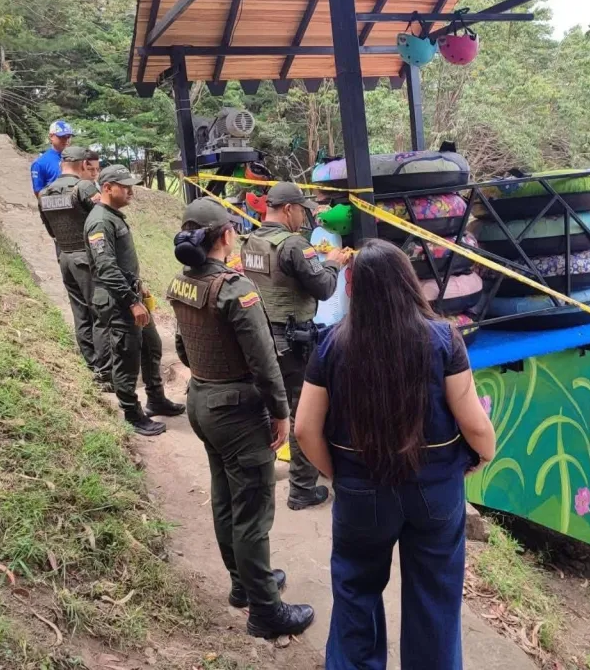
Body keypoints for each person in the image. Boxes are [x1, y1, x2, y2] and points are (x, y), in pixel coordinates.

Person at [294, 239, 496, 670]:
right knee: (435, 597)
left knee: (355, 591)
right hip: (435, 490)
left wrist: (338, 473)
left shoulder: (331, 345)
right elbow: (475, 424)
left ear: (354, 288)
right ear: (408, 282)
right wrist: (483, 455)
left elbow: (305, 428)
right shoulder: (443, 339)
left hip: (360, 491)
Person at [167, 197, 315, 638]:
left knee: (224, 497)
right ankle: (266, 613)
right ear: (227, 235)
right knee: (252, 509)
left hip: (201, 399)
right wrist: (281, 412)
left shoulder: (182, 282)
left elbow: (182, 347)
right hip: (237, 411)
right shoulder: (235, 290)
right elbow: (265, 363)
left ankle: (245, 584)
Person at [239, 181, 350, 510]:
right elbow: (325, 287)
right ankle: (302, 488)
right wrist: (334, 262)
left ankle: (261, 475)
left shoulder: (250, 240)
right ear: (288, 209)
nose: (304, 217)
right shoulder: (295, 245)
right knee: (303, 412)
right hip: (294, 343)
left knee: (269, 407)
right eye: (302, 210)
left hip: (260, 337)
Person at [84, 164, 185, 436]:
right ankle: (131, 413)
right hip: (118, 301)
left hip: (130, 294)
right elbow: (106, 268)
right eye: (125, 186)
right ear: (107, 188)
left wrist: (140, 289)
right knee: (127, 357)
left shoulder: (112, 216)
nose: (131, 191)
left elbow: (121, 263)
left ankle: (156, 399)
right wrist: (132, 301)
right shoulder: (100, 221)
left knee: (151, 346)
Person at [38, 146, 110, 388]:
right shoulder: (84, 187)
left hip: (65, 258)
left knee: (80, 314)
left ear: (62, 164)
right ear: (83, 165)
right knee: (100, 313)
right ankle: (105, 371)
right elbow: (103, 218)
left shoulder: (45, 193)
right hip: (87, 258)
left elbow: (51, 230)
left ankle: (92, 365)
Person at [30, 120, 74, 196]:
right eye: (62, 136)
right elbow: (38, 192)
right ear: (51, 136)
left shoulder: (76, 159)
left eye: (68, 137)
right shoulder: (40, 163)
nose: (66, 140)